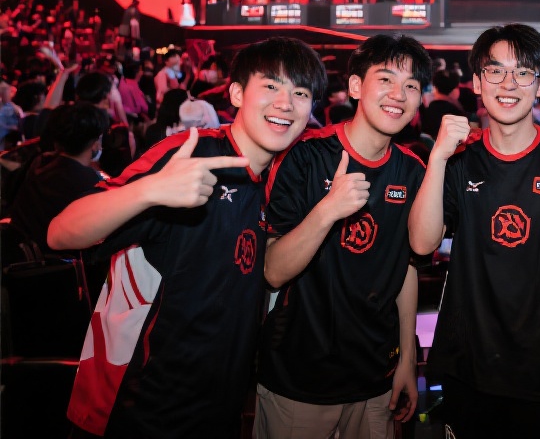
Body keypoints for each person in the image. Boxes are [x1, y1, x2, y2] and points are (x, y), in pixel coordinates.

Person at [47, 37, 325, 439]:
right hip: (138, 407)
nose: (286, 103)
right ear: (236, 94)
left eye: (300, 93)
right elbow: (60, 232)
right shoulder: (190, 155)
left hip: (218, 406)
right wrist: (148, 191)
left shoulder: (277, 179)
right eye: (271, 86)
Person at [408, 24, 540, 439]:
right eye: (496, 71)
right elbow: (422, 244)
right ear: (478, 83)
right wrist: (438, 158)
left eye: (523, 72)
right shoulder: (459, 160)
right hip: (470, 367)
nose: (509, 83)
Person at [255, 34, 432, 439]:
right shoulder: (303, 155)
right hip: (300, 376)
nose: (398, 95)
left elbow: (405, 267)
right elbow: (273, 271)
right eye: (385, 79)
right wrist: (328, 210)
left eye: (410, 85)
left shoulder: (412, 170)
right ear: (355, 86)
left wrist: (407, 358)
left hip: (375, 377)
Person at [7, 102, 108, 250]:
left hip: (19, 251)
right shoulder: (91, 183)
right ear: (95, 143)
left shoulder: (40, 162)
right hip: (54, 259)